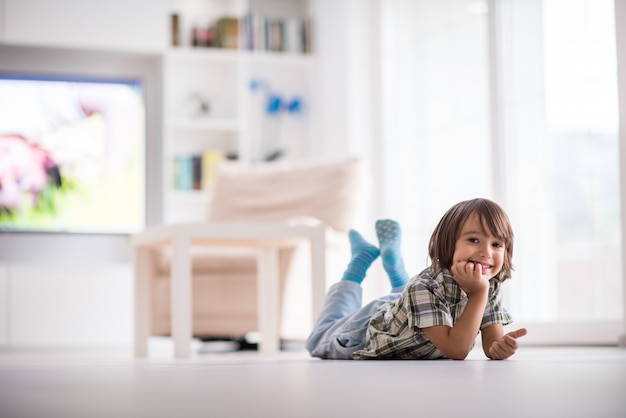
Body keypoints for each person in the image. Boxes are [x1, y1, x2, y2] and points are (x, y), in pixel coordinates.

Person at [305, 198, 527, 360]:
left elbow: (490, 343)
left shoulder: (489, 286)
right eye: (474, 240)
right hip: (367, 329)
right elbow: (457, 350)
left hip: (402, 311)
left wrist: (499, 348)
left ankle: (394, 264)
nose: (487, 252)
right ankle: (359, 263)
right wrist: (478, 295)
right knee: (318, 339)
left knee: (406, 295)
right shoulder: (425, 287)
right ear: (448, 245)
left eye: (497, 244)